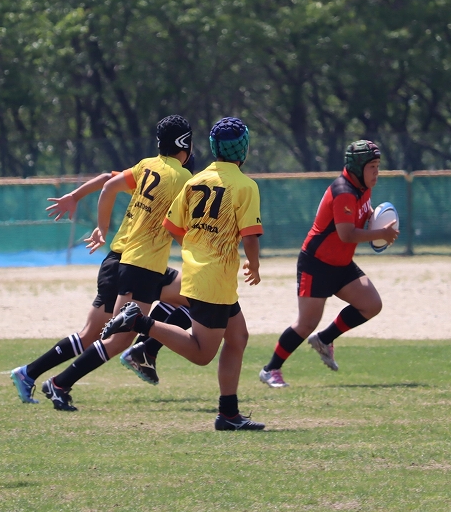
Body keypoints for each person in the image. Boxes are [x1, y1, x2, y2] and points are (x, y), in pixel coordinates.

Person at [14, 114, 194, 411]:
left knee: (93, 335)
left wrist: (100, 225)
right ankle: (61, 383)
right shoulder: (183, 179)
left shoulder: (146, 166)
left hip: (119, 259)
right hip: (140, 265)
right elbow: (179, 226)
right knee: (119, 339)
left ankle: (28, 372)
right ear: (185, 144)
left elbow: (107, 184)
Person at [103, 117, 265, 431]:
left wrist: (197, 248)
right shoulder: (245, 185)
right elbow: (250, 236)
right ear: (243, 149)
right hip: (216, 279)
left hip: (199, 273)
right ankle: (139, 322)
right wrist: (254, 266)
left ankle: (228, 415)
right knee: (202, 353)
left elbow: (172, 225)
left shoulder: (196, 180)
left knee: (238, 337)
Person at [257, 139, 399, 388]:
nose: (377, 172)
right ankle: (270, 369)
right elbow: (347, 234)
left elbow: (361, 217)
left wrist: (375, 221)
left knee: (371, 305)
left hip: (341, 263)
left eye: (378, 166)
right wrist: (381, 234)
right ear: (358, 168)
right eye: (372, 167)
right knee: (306, 323)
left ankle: (324, 339)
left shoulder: (363, 188)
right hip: (317, 264)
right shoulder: (344, 191)